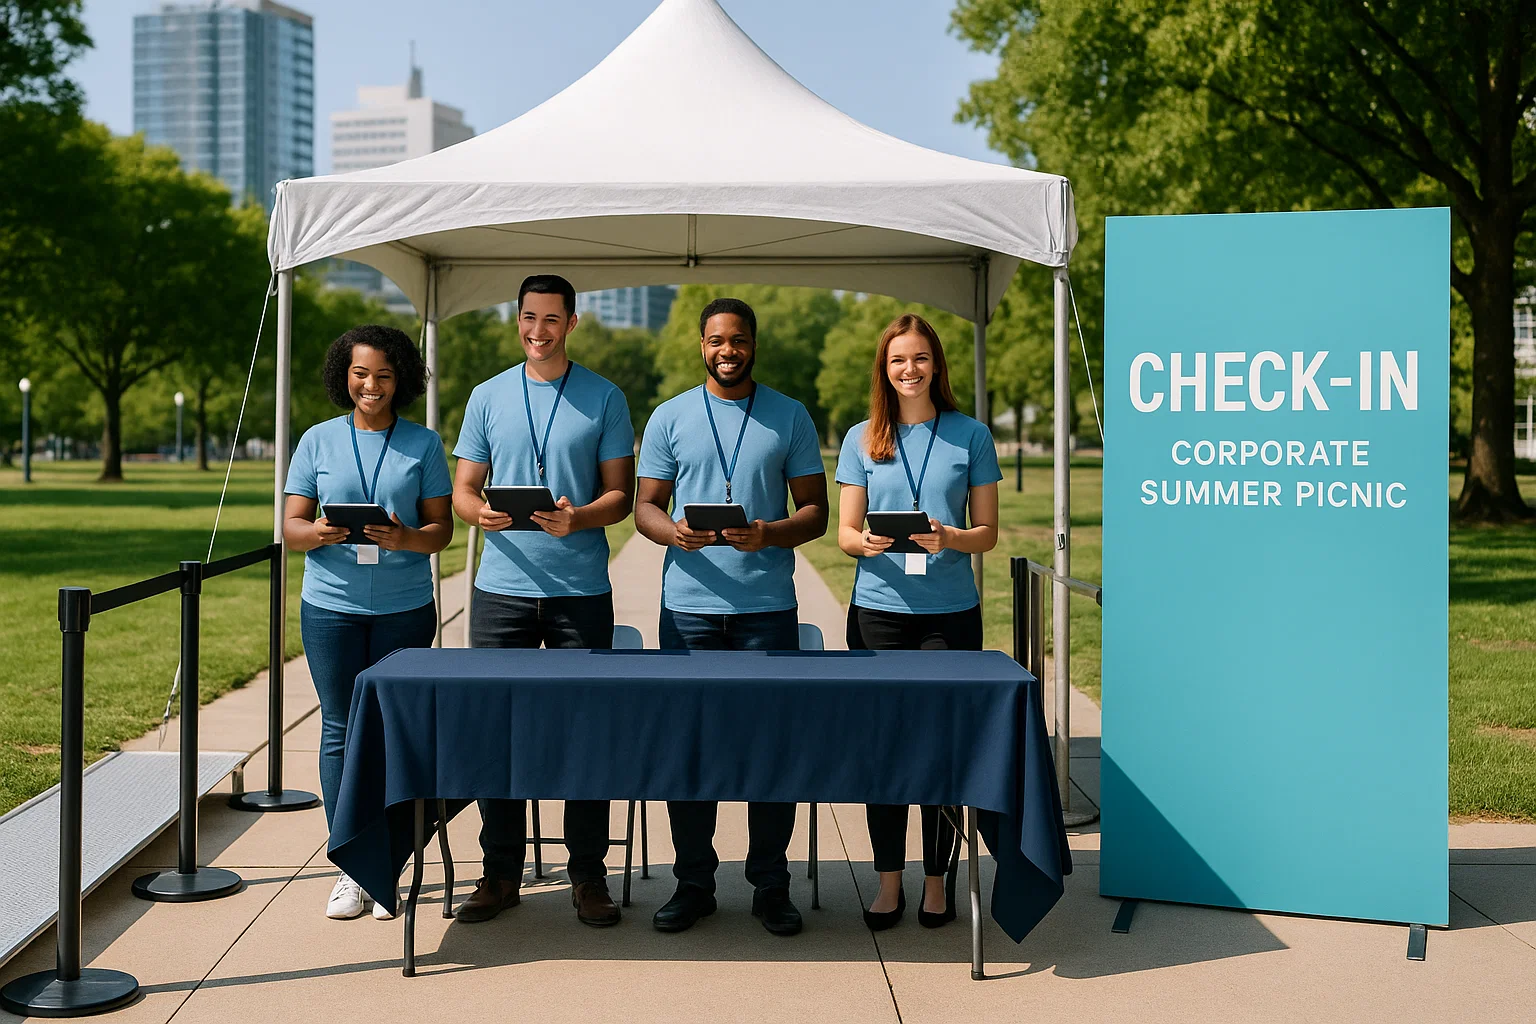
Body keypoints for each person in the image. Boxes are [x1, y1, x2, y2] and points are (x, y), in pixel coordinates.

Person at [634, 297, 829, 936]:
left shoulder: (790, 415)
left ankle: (771, 885)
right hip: (687, 611)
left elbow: (816, 512)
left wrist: (768, 533)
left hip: (766, 611)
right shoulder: (670, 416)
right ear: (702, 345)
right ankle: (694, 884)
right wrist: (673, 535)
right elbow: (645, 508)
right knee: (689, 750)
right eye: (717, 340)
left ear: (753, 343)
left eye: (738, 340)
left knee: (769, 750)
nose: (728, 351)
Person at [450, 274, 636, 928]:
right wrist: (480, 515)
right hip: (500, 590)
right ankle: (499, 873)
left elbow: (622, 495)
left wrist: (578, 519)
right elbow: (464, 488)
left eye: (552, 319)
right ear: (518, 319)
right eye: (529, 318)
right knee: (495, 731)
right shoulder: (486, 396)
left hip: (579, 592)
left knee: (586, 733)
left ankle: (589, 875)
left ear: (572, 323)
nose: (539, 330)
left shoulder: (604, 398)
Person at [834, 313, 1000, 931]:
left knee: (937, 751)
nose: (910, 369)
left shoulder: (970, 435)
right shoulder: (861, 437)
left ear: (937, 365)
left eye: (921, 358)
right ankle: (886, 883)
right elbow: (845, 533)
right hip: (877, 614)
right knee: (883, 751)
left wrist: (948, 536)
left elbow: (987, 532)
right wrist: (867, 544)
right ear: (885, 367)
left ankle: (936, 882)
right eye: (899, 359)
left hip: (948, 616)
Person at [283, 324, 454, 921]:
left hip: (405, 609)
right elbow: (291, 528)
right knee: (339, 730)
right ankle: (351, 870)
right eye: (360, 374)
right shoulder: (317, 441)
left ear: (401, 379)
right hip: (331, 608)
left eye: (383, 376)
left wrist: (404, 536)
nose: (371, 386)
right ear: (343, 377)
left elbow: (441, 532)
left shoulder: (424, 445)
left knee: (396, 733)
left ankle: (393, 862)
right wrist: (321, 533)